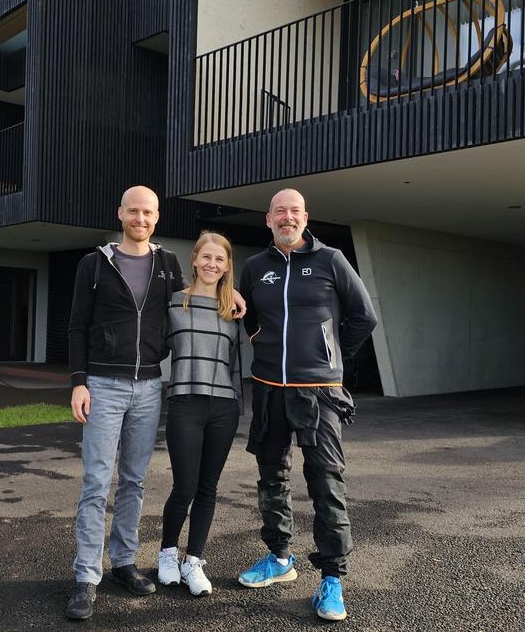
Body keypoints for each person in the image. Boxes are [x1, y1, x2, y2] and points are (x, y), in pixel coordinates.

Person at [64, 187, 247, 620]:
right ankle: (86, 577)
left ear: (157, 217)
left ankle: (123, 563)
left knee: (134, 481)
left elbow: (194, 297)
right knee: (96, 482)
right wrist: (78, 383)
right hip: (103, 384)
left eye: (148, 212)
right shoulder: (94, 264)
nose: (141, 218)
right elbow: (76, 326)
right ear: (121, 213)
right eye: (134, 211)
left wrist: (232, 292)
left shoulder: (166, 264)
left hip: (149, 386)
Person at [235, 188, 377, 622]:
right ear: (268, 219)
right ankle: (279, 559)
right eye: (280, 211)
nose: (287, 217)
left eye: (294, 211)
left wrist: (330, 357)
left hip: (319, 392)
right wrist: (263, 344)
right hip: (268, 388)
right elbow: (250, 319)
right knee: (271, 475)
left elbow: (363, 316)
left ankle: (332, 579)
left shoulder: (331, 259)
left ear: (305, 217)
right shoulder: (255, 267)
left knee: (326, 482)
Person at [157, 232, 243, 597]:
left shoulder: (234, 311)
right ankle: (167, 553)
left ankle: (194, 560)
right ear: (194, 260)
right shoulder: (174, 303)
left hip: (223, 407)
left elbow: (236, 364)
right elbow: (152, 346)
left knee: (208, 488)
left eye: (219, 260)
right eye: (206, 257)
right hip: (184, 403)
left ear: (226, 267)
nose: (212, 264)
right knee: (184, 487)